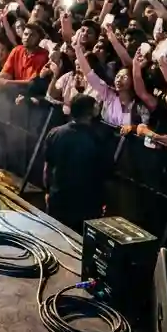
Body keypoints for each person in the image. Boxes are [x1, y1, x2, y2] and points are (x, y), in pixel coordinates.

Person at [42, 93, 111, 231]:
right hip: (86, 204)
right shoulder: (98, 139)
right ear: (91, 112)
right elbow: (104, 174)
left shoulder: (55, 133)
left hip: (59, 197)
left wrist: (48, 191)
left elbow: (47, 167)